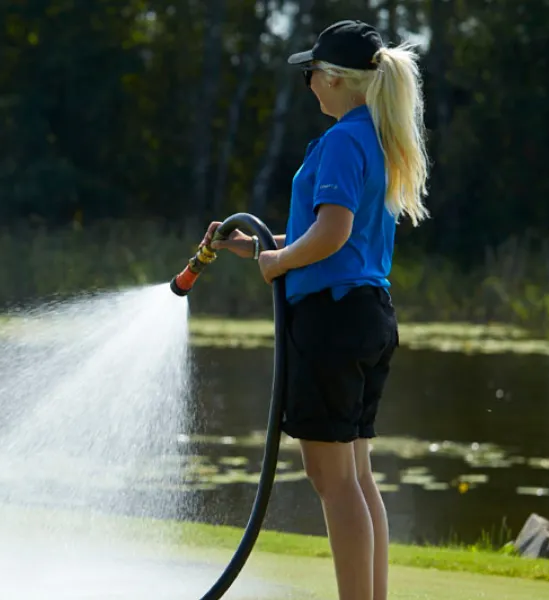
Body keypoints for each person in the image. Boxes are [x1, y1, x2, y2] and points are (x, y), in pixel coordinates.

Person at [206, 19, 429, 600]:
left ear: (333, 78)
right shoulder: (372, 139)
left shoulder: (341, 143)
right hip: (366, 315)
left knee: (333, 482)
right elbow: (330, 241)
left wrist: (278, 265)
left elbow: (331, 234)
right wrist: (259, 248)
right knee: (355, 477)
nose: (308, 83)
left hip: (333, 321)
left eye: (311, 73)